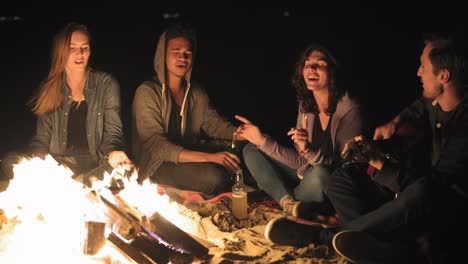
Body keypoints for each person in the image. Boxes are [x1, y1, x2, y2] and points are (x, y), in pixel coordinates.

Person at [263, 33, 468, 264]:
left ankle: (324, 237)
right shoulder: (434, 102)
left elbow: (432, 189)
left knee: (422, 190)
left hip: (451, 211)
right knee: (341, 180)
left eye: (423, 67)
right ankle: (374, 247)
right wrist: (395, 122)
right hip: (420, 190)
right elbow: (418, 105)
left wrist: (379, 161)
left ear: (444, 76)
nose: (418, 73)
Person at [235, 43, 364, 218]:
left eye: (319, 63)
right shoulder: (306, 106)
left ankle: (285, 195)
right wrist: (261, 140)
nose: (311, 67)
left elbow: (343, 170)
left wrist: (308, 150)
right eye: (307, 63)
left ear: (333, 71)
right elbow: (300, 162)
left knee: (320, 175)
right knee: (252, 149)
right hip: (305, 175)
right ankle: (288, 203)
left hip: (328, 184)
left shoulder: (349, 110)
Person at [0, 22, 133, 188]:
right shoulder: (50, 88)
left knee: (123, 169)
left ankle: (72, 186)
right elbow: (41, 139)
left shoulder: (106, 84)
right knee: (11, 161)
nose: (80, 53)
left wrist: (113, 155)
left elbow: (113, 133)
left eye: (85, 47)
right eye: (73, 48)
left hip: (98, 164)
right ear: (62, 52)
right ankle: (78, 184)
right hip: (61, 166)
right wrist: (37, 160)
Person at [132, 21, 243, 195]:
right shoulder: (147, 92)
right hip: (159, 165)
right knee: (215, 177)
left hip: (191, 154)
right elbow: (156, 145)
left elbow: (214, 124)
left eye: (187, 53)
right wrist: (210, 158)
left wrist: (244, 135)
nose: (182, 58)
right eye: (176, 52)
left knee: (239, 151)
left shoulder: (196, 92)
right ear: (163, 55)